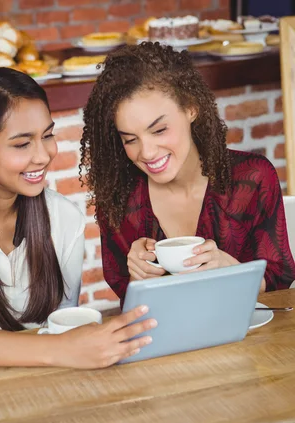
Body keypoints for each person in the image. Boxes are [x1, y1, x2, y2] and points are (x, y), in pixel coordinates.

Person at [0, 68, 156, 371]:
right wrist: (59, 349)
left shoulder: (64, 218)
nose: (43, 155)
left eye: (47, 136)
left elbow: (60, 323)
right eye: (22, 144)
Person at [80, 42, 295, 303]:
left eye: (159, 130)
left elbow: (281, 279)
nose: (146, 152)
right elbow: (130, 301)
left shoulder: (253, 178)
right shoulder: (119, 202)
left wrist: (236, 273)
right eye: (130, 139)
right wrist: (137, 279)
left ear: (191, 109)